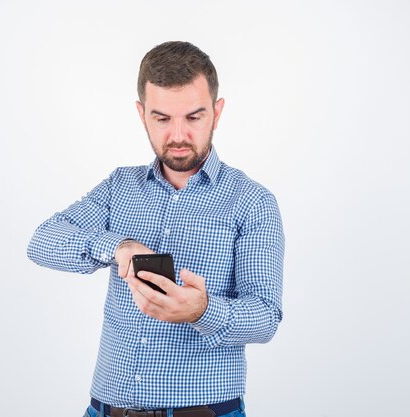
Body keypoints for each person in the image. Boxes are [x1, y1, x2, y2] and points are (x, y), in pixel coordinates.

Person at [27, 41, 284, 417]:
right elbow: (42, 242)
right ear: (141, 113)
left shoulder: (252, 202)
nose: (178, 135)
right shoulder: (120, 186)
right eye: (162, 118)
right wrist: (117, 248)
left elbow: (265, 317)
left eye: (194, 118)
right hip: (105, 409)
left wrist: (203, 310)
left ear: (217, 111)